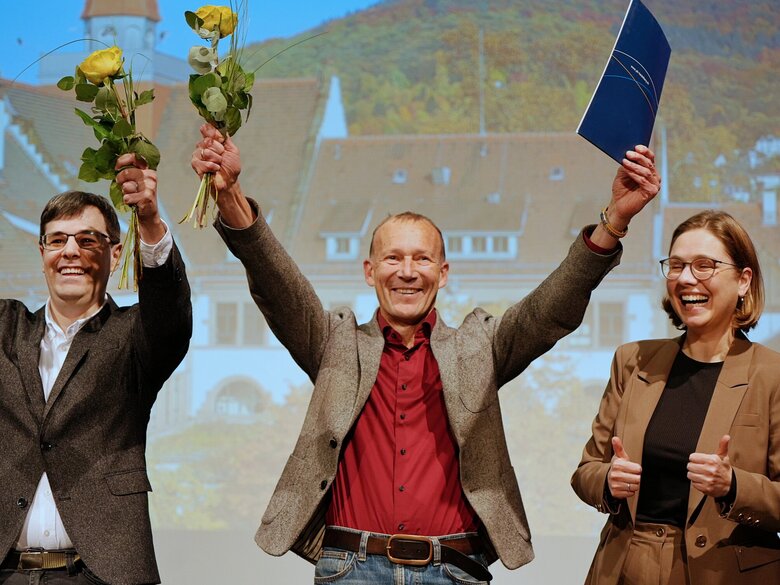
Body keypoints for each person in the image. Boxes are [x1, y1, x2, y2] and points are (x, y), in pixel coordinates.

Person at [191, 123, 660, 583]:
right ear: (369, 272)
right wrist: (230, 193)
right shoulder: (335, 343)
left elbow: (548, 310)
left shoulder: (480, 346)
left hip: (454, 569)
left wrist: (614, 220)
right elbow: (277, 284)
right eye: (393, 258)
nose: (408, 271)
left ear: (444, 271)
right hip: (352, 568)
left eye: (422, 259)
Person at [0, 154, 192, 585]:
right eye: (58, 240)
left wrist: (149, 219)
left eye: (88, 240)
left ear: (115, 251)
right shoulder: (6, 329)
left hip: (98, 573)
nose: (71, 251)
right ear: (42, 252)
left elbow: (171, 313)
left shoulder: (132, 336)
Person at [571, 210, 780, 584]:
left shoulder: (772, 375)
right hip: (625, 567)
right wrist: (607, 481)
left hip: (723, 572)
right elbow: (587, 470)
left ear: (744, 280)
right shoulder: (632, 360)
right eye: (676, 265)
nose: (686, 279)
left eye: (704, 266)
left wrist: (733, 485)